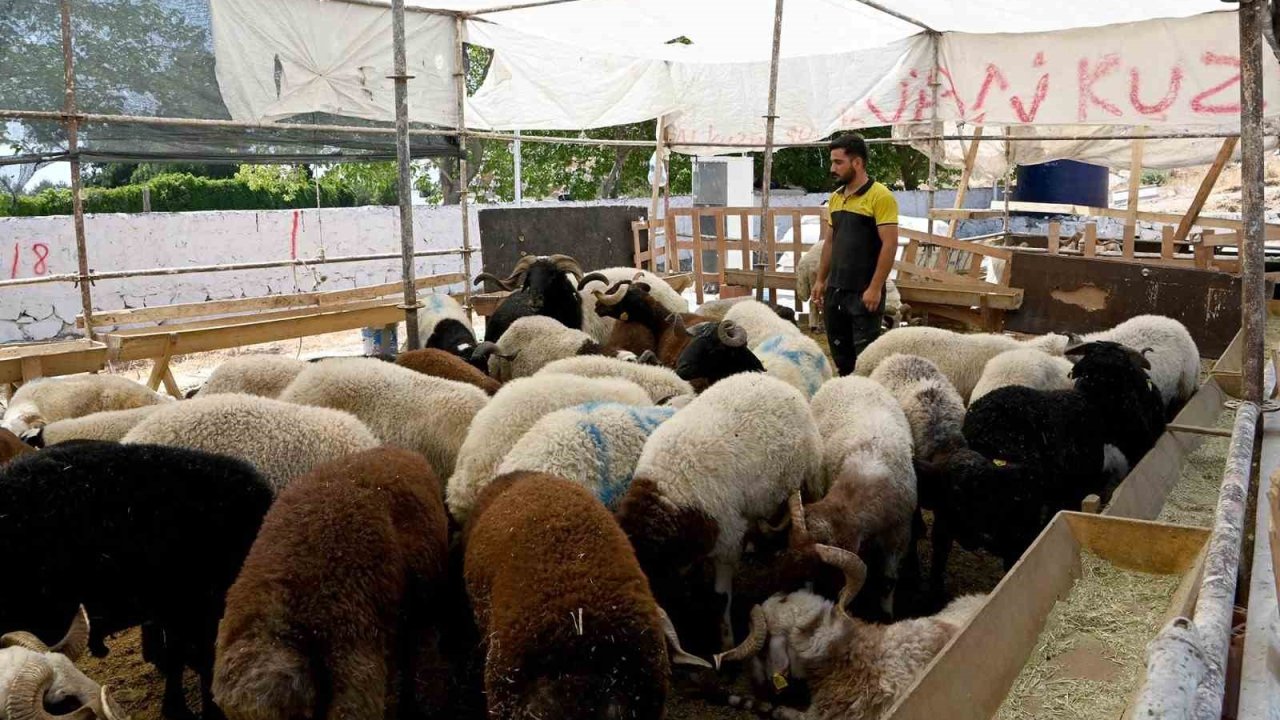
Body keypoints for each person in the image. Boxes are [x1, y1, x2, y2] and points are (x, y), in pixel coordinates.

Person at [810, 134, 899, 376]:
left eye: (838, 162)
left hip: (864, 292)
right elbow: (829, 242)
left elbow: (890, 244)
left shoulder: (880, 196)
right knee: (842, 359)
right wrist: (820, 280)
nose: (832, 168)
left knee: (866, 359)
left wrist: (875, 287)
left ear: (857, 163)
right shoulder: (836, 198)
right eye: (832, 162)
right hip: (836, 292)